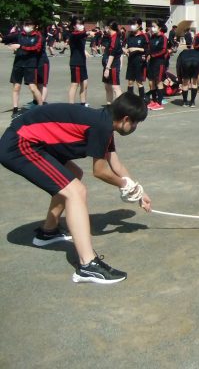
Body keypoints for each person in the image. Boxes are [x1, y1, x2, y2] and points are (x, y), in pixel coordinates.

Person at [0, 92, 151, 284]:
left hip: (35, 143)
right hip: (19, 144)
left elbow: (116, 164)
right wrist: (124, 185)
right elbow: (100, 171)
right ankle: (87, 265)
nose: (135, 128)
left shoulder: (105, 120)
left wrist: (138, 191)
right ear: (126, 119)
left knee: (74, 177)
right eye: (136, 123)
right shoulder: (101, 125)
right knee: (76, 191)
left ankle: (48, 231)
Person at [8, 19, 44, 117]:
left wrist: (20, 46)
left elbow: (36, 48)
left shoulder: (38, 36)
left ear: (35, 26)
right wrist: (4, 39)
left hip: (30, 64)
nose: (27, 26)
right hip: (18, 64)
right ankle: (15, 109)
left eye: (29, 25)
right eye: (25, 24)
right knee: (16, 87)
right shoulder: (20, 34)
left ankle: (41, 108)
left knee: (33, 87)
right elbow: (7, 38)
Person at [146, 20, 169, 111]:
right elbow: (149, 48)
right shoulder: (152, 37)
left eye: (154, 26)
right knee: (151, 82)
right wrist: (148, 54)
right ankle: (154, 101)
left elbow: (163, 50)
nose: (152, 28)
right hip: (151, 63)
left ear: (159, 27)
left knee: (159, 82)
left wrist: (153, 55)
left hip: (159, 63)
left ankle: (159, 103)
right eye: (152, 26)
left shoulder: (163, 38)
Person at [67, 16, 90, 106]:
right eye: (79, 24)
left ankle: (83, 103)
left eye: (82, 24)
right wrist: (88, 33)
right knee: (75, 84)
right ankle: (71, 106)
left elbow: (79, 44)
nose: (81, 26)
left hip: (82, 62)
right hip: (75, 63)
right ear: (73, 26)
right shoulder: (73, 34)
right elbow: (78, 36)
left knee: (84, 83)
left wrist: (84, 51)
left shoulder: (81, 35)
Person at [124, 18, 148, 102]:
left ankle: (142, 99)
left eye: (134, 24)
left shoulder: (144, 36)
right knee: (130, 82)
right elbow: (124, 46)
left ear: (140, 25)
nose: (132, 26)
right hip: (131, 61)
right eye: (131, 24)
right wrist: (126, 51)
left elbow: (147, 49)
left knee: (139, 82)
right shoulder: (129, 35)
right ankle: (129, 100)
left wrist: (136, 49)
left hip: (139, 62)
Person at [101, 21, 123, 104]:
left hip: (112, 67)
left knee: (115, 87)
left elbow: (112, 54)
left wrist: (107, 68)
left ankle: (121, 107)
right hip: (108, 65)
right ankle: (109, 105)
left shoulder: (115, 38)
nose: (105, 29)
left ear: (109, 27)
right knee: (107, 86)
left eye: (106, 27)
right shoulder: (111, 37)